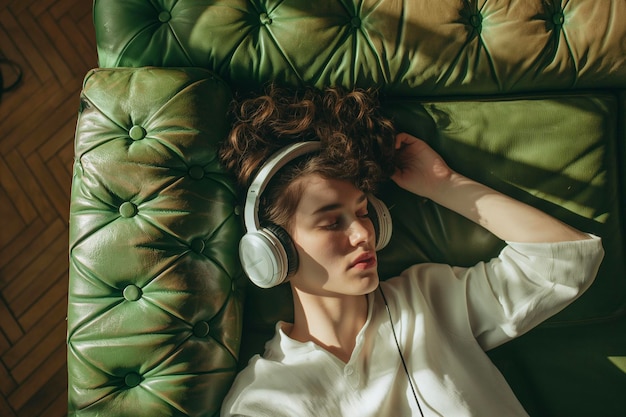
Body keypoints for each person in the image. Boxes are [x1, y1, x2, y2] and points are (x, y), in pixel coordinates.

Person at [218, 85, 604, 417]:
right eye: (332, 222)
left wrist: (444, 184)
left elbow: (565, 259)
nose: (362, 235)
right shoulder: (265, 400)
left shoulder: (427, 299)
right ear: (271, 249)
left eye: (364, 212)